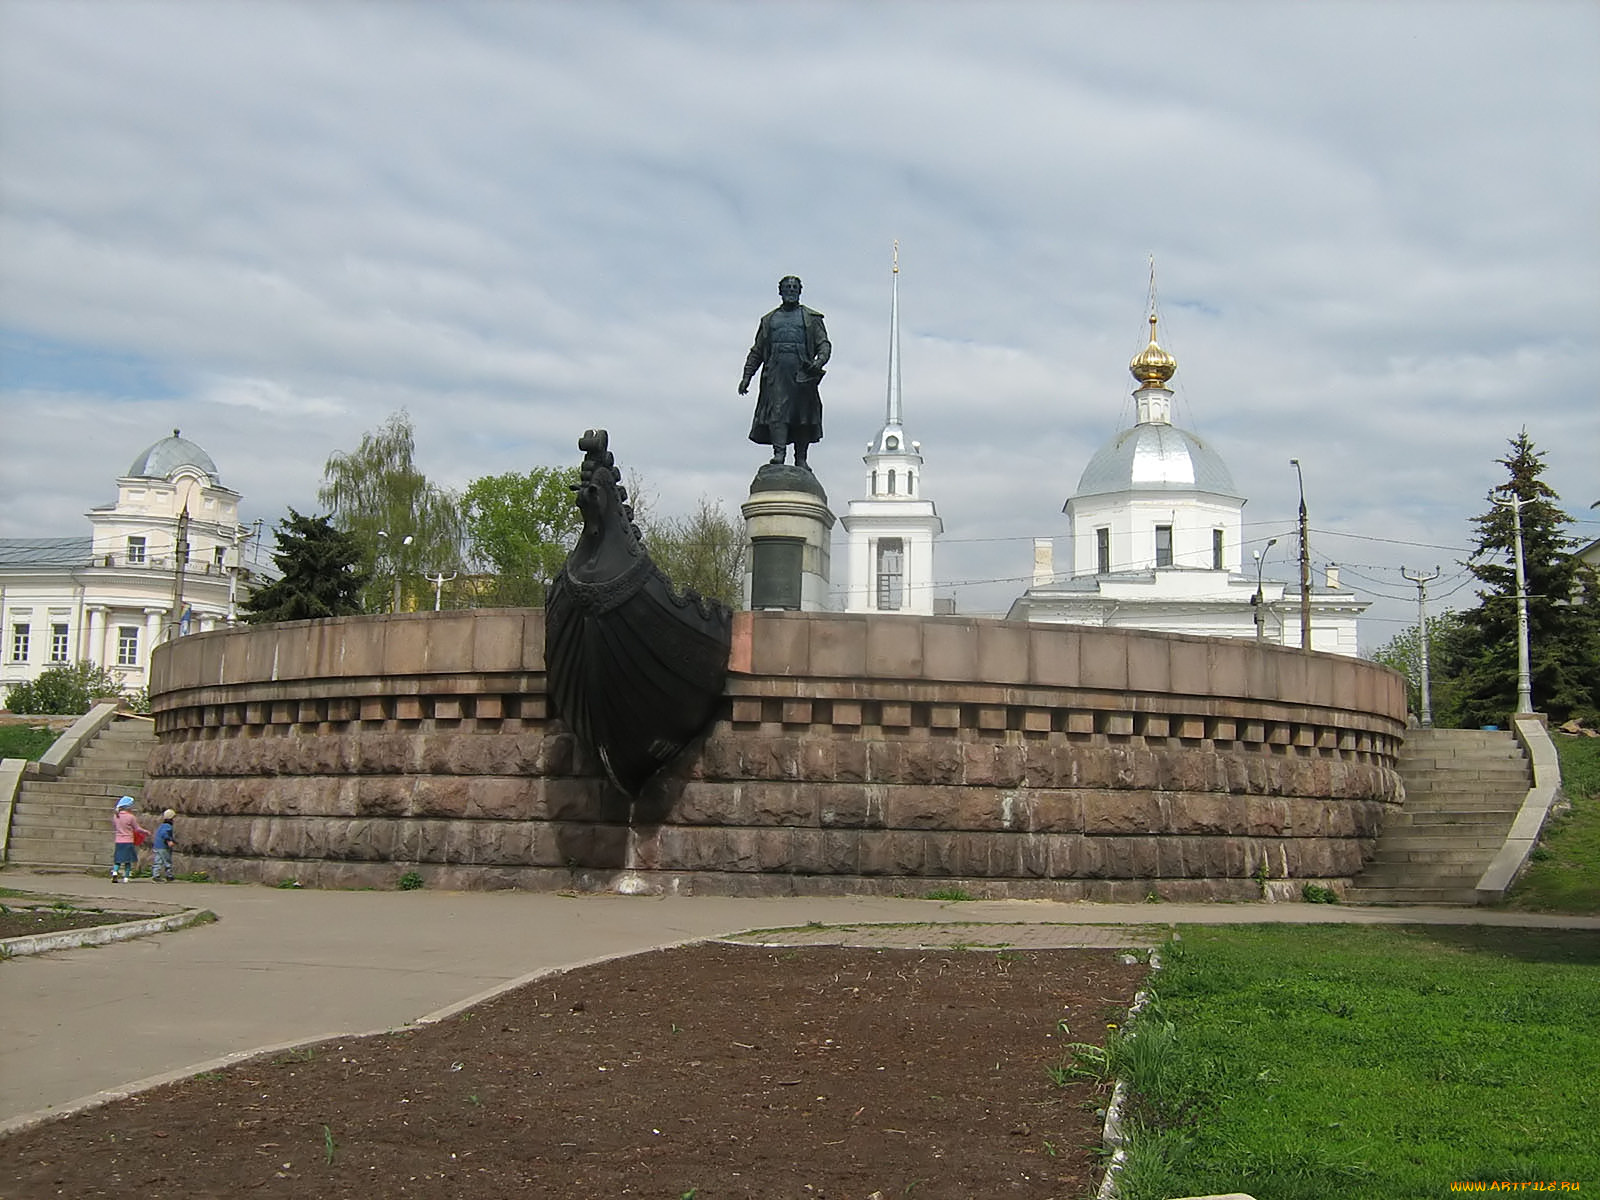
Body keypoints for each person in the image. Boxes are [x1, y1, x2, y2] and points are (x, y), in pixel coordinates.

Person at [739, 275, 831, 469]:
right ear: (780, 291)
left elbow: (823, 344)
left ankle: (801, 459)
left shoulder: (811, 318)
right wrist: (747, 376)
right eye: (787, 287)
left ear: (800, 291)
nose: (791, 290)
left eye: (794, 287)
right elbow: (757, 350)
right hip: (776, 373)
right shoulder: (769, 320)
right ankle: (779, 454)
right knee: (778, 413)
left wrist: (819, 361)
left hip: (802, 374)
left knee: (803, 415)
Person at [111, 796, 148, 883]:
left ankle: (115, 872)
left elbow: (115, 826)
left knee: (118, 860)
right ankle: (126, 877)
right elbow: (137, 828)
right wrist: (145, 832)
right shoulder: (131, 817)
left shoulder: (116, 816)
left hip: (118, 840)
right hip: (128, 840)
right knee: (128, 861)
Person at [152, 808, 178, 882]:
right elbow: (164, 834)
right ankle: (169, 875)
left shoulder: (162, 825)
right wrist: (169, 841)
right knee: (167, 861)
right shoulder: (167, 826)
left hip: (157, 846)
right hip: (163, 847)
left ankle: (155, 875)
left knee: (158, 861)